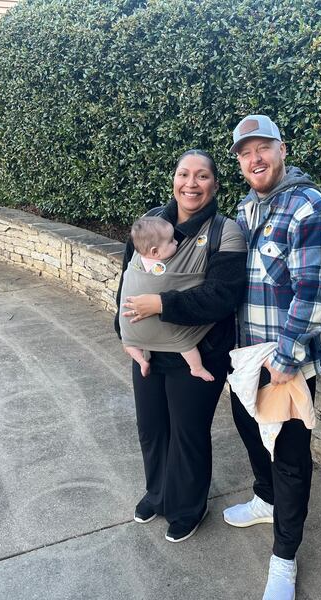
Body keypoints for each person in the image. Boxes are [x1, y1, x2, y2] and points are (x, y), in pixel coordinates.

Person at [223, 115, 321, 600]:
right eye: (245, 152)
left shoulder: (310, 208)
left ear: (282, 150)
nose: (255, 159)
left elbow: (314, 290)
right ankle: (264, 499)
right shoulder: (246, 209)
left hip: (284, 359)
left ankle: (284, 560)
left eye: (263, 148)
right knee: (248, 426)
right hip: (248, 353)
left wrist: (288, 356)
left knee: (290, 457)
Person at [114, 149, 247, 543]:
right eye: (184, 174)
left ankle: (189, 504)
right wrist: (123, 333)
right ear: (174, 179)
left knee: (187, 433)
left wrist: (162, 304)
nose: (191, 183)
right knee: (152, 428)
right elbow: (129, 279)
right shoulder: (152, 223)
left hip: (199, 349)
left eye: (202, 176)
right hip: (150, 347)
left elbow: (222, 297)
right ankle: (158, 493)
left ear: (215, 184)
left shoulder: (227, 232)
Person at [119, 215, 214, 382]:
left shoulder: (137, 262)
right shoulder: (160, 267)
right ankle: (196, 368)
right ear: (155, 252)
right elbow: (182, 282)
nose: (176, 242)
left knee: (129, 345)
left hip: (130, 330)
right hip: (169, 334)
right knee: (186, 345)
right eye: (171, 241)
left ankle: (141, 361)